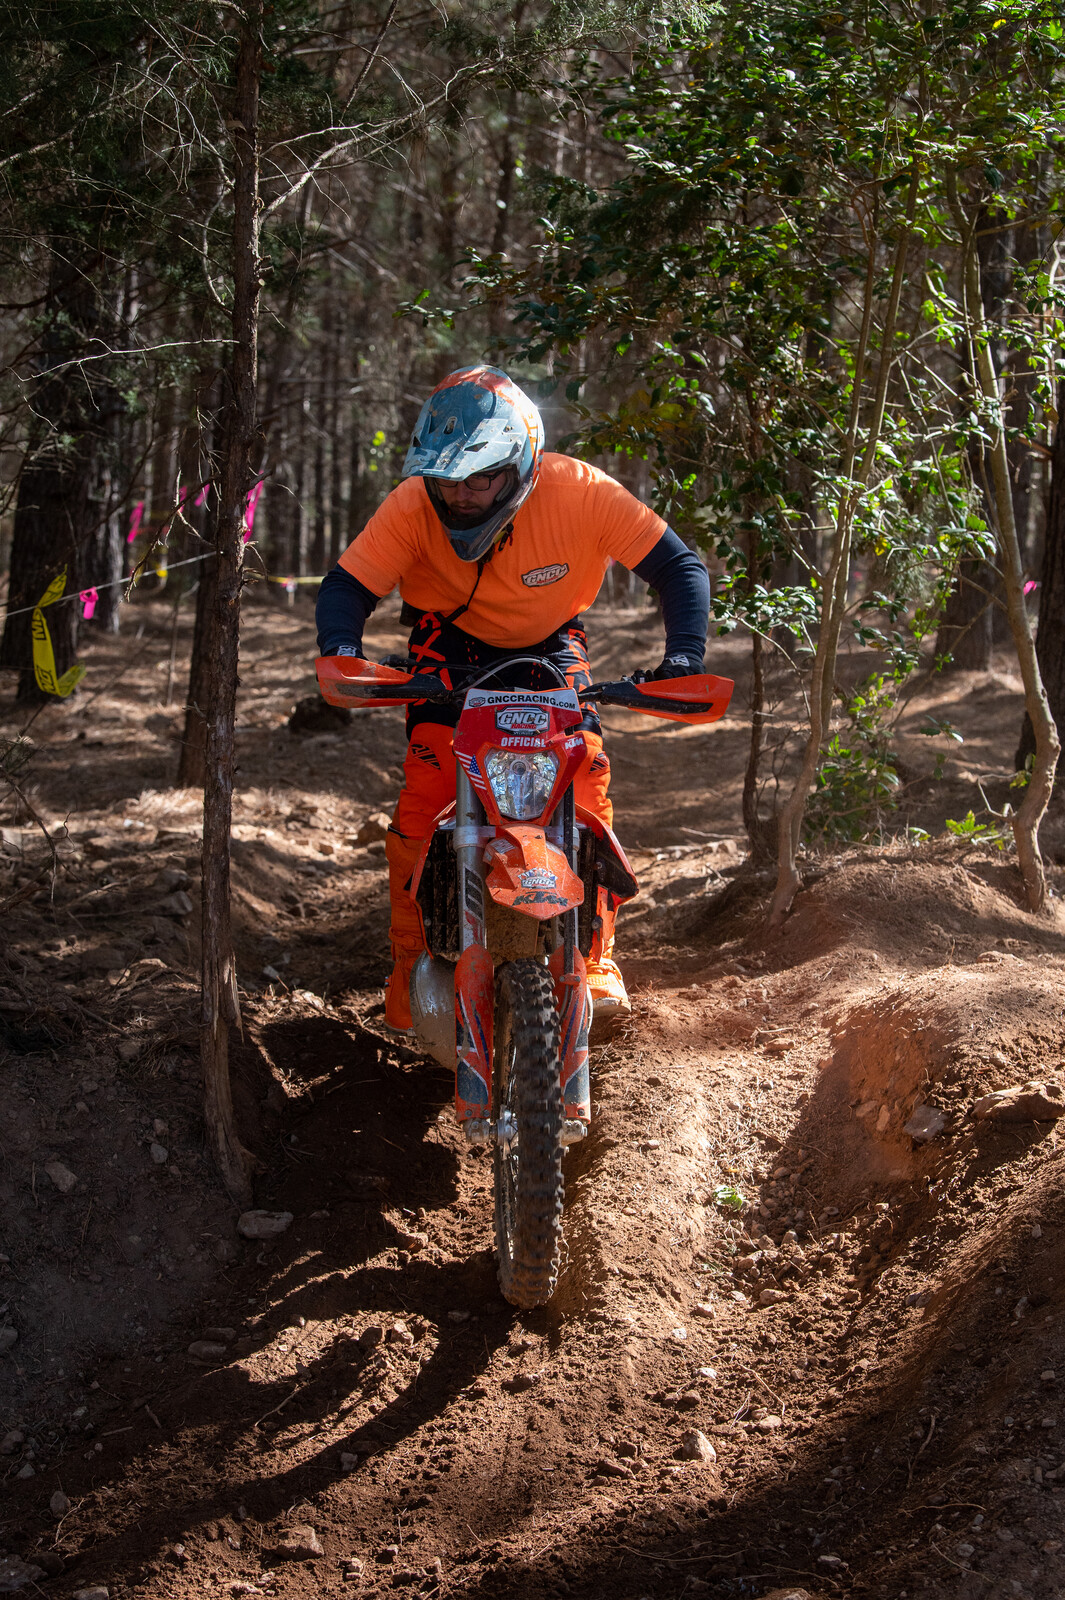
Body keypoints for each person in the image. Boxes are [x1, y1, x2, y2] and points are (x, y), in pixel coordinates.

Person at [315, 365, 710, 1032]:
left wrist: (682, 658)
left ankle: (592, 961)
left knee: (584, 781)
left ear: (521, 461)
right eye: (446, 479)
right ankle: (411, 970)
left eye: (479, 477)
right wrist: (341, 648)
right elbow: (348, 584)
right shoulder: (413, 505)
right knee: (425, 797)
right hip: (448, 644)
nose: (461, 495)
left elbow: (677, 566)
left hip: (551, 644)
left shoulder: (581, 492)